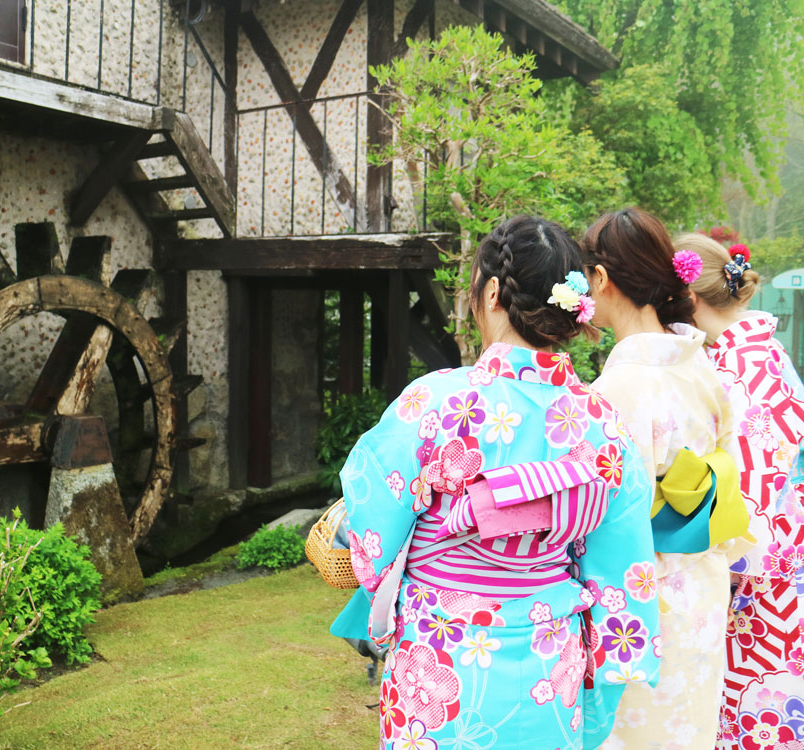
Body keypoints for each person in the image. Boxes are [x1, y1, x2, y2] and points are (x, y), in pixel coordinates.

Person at [330, 215, 660, 750]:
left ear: (489, 291)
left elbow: (373, 521)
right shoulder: (604, 423)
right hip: (551, 663)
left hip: (441, 656)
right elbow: (624, 570)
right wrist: (604, 683)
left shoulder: (435, 402)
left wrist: (383, 582)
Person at [581, 208, 751, 750]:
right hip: (699, 582)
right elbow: (728, 473)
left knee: (634, 735)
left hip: (638, 598)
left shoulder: (619, 389)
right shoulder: (700, 365)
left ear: (602, 281)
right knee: (688, 729)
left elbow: (599, 512)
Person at [676, 232, 804, 749]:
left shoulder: (738, 368)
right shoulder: (760, 352)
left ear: (687, 298)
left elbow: (750, 487)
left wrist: (718, 576)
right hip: (781, 555)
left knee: (755, 716)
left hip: (758, 574)